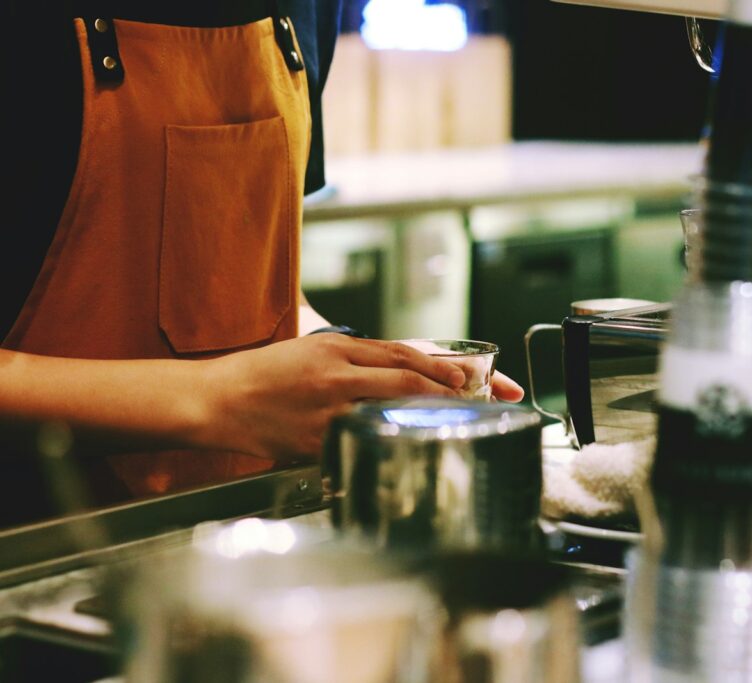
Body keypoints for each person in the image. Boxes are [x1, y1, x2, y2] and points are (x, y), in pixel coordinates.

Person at [0, 1, 524, 518]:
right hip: (39, 535)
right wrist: (218, 398)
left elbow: (266, 290)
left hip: (247, 521)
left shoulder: (308, 9)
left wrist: (365, 376)